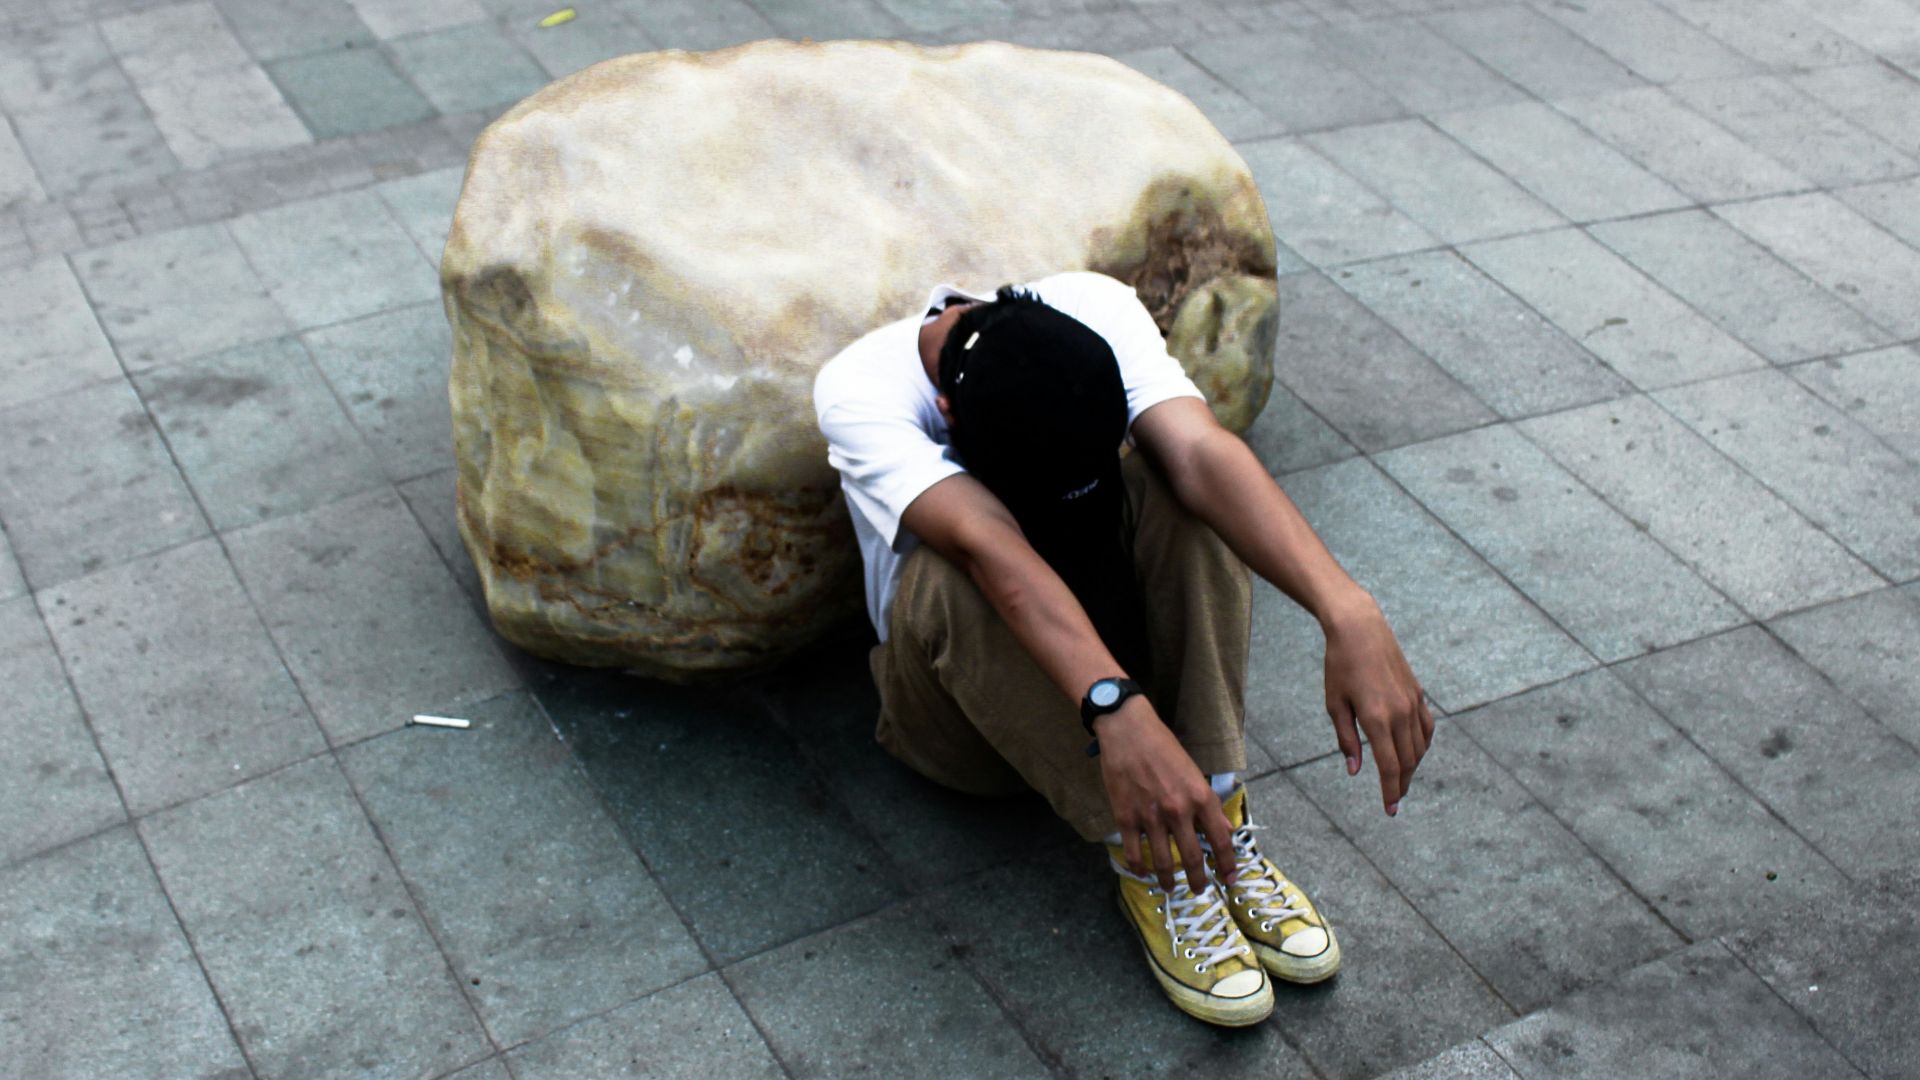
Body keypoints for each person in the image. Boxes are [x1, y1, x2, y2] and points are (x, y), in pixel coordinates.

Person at [812, 270, 1432, 1026]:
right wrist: (1115, 706)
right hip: (963, 719)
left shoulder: (1092, 307)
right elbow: (992, 552)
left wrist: (1347, 608)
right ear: (947, 413)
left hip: (1119, 668)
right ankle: (1159, 862)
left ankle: (1213, 817)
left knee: (1179, 490)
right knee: (951, 569)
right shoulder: (861, 390)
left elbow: (1202, 449)